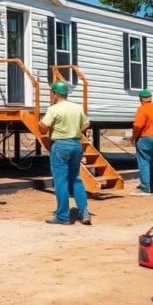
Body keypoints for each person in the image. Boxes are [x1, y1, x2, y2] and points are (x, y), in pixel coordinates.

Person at [38, 81, 91, 225]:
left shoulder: (53, 109)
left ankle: (62, 216)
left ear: (54, 94)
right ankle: (84, 212)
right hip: (76, 144)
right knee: (76, 179)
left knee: (61, 180)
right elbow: (87, 123)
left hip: (60, 145)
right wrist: (78, 131)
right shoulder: (77, 108)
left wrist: (40, 123)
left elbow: (44, 128)